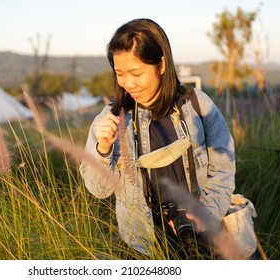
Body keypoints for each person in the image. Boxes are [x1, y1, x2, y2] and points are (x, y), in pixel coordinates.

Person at [79, 18, 235, 259]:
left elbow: (224, 168)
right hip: (142, 247)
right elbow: (98, 190)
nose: (128, 83)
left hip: (202, 241)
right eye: (120, 73)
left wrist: (207, 213)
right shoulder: (112, 119)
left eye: (136, 73)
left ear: (161, 64)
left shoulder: (197, 104)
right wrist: (103, 148)